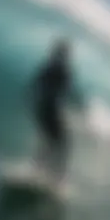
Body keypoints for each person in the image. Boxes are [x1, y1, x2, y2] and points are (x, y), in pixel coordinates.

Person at [29, 38, 75, 183]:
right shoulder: (63, 71)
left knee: (49, 142)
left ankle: (38, 171)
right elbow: (65, 92)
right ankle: (55, 179)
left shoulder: (48, 67)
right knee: (62, 144)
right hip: (50, 109)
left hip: (43, 109)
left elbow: (34, 85)